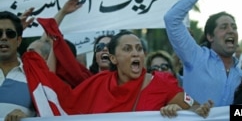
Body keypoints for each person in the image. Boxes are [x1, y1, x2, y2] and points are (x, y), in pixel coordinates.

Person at [23, 30, 213, 118]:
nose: (136, 53)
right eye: (128, 49)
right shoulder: (97, 83)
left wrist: (178, 110)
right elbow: (67, 103)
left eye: (139, 49)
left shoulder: (162, 82)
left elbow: (194, 106)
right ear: (113, 59)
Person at [164, 0, 242, 107]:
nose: (231, 31)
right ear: (210, 36)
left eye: (234, 27)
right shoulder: (195, 56)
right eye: (224, 27)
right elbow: (171, 18)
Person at [0, 11, 36, 120]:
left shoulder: (34, 77)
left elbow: (48, 114)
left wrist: (27, 119)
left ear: (19, 40)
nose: (4, 37)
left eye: (10, 33)